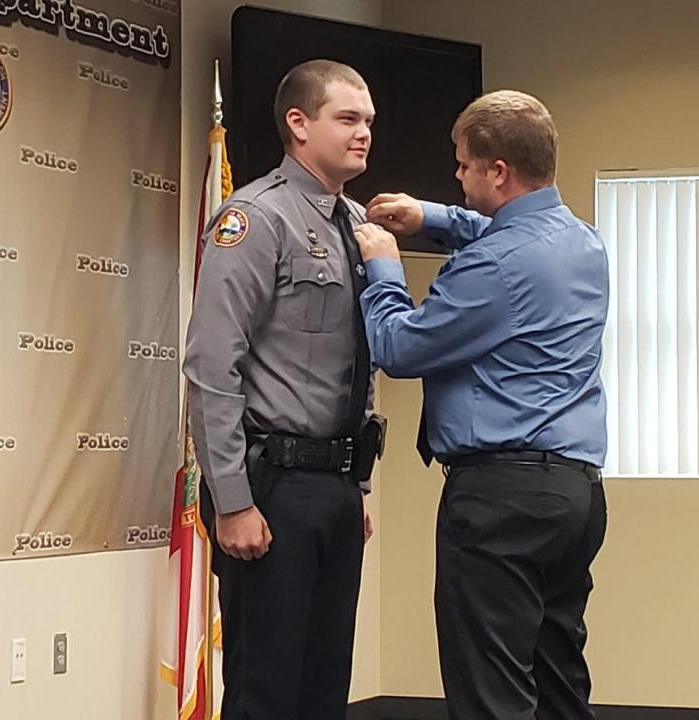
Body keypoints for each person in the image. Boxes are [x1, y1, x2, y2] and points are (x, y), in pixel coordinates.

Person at [354, 90, 609, 720]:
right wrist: (432, 216)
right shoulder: (582, 242)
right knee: (556, 683)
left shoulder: (496, 266)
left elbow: (400, 347)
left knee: (491, 694)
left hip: (500, 502)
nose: (458, 175)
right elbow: (500, 230)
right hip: (573, 497)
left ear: (498, 171)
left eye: (464, 164)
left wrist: (384, 268)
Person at [183, 59, 385, 720]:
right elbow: (213, 366)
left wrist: (354, 487)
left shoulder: (354, 225)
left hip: (333, 485)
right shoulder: (254, 217)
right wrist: (232, 501)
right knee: (265, 689)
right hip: (271, 489)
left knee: (325, 687)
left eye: (368, 122)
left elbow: (357, 363)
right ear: (298, 124)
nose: (364, 134)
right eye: (348, 119)